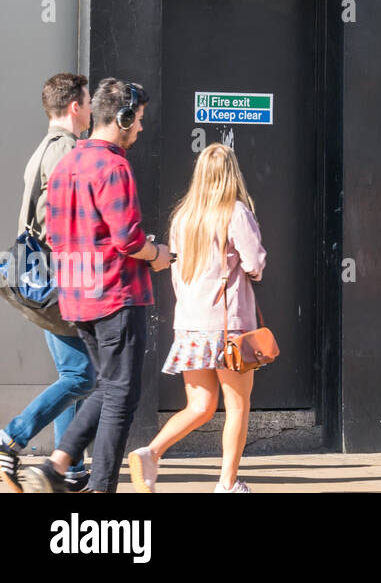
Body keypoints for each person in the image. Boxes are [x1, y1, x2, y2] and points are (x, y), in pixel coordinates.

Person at [19, 79, 171, 494]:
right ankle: (100, 488)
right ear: (121, 118)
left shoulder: (68, 161)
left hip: (75, 296)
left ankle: (56, 464)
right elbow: (128, 239)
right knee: (121, 397)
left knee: (107, 387)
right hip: (115, 294)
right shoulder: (114, 165)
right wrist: (158, 255)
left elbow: (52, 233)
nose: (140, 129)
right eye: (137, 121)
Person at [127, 144, 267, 493]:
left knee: (200, 406)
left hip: (190, 324)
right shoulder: (235, 213)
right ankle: (227, 483)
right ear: (231, 174)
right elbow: (255, 264)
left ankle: (151, 451)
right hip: (228, 325)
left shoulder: (183, 217)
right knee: (237, 405)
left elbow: (175, 272)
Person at [0, 74, 96, 492]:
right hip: (60, 278)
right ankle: (11, 438)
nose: (92, 109)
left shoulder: (44, 149)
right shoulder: (66, 151)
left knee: (73, 372)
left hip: (44, 275)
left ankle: (68, 466)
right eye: (89, 102)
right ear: (75, 106)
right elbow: (66, 220)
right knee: (82, 377)